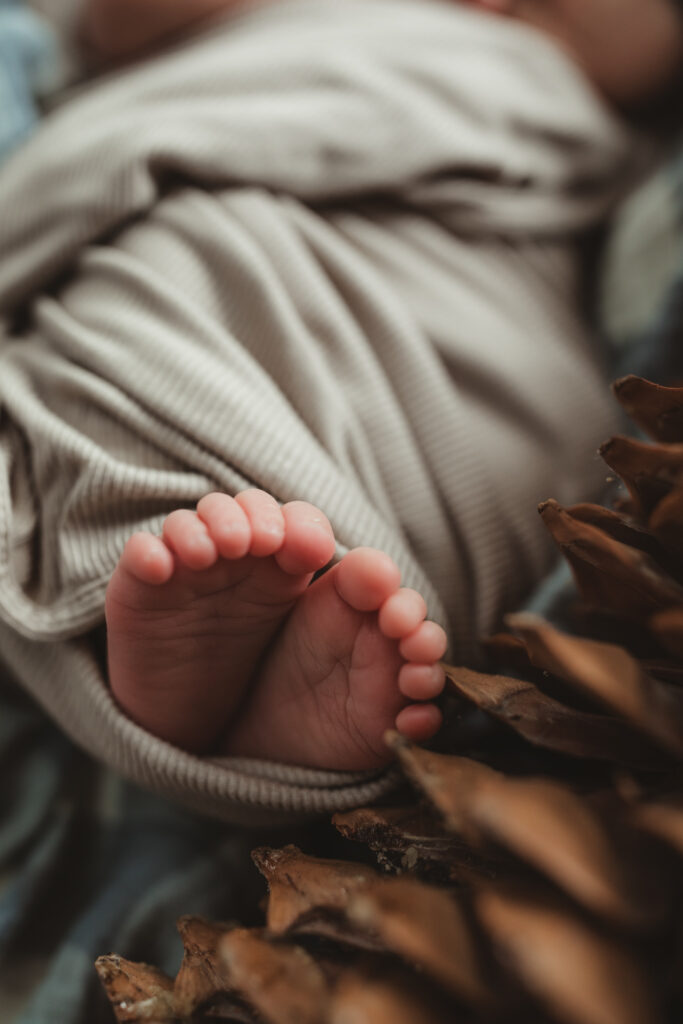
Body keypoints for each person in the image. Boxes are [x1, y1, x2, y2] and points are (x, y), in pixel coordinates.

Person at [0, 0, 681, 822]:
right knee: (181, 289)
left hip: (485, 299)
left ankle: (255, 669)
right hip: (275, 231)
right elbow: (116, 22)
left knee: (542, 428)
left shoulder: (597, 129)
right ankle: (230, 680)